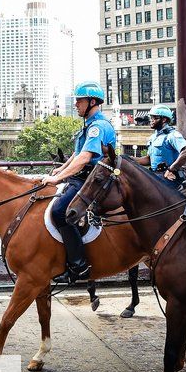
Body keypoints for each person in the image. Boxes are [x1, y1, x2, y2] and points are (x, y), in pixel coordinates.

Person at [40, 80, 117, 284]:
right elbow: (76, 154)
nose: (76, 105)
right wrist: (61, 170)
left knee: (59, 212)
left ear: (92, 102)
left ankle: (79, 265)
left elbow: (85, 158)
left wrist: (57, 178)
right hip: (83, 177)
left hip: (93, 180)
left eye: (79, 101)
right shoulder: (88, 126)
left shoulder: (98, 127)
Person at [133, 104, 186, 184]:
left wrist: (171, 169)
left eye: (155, 118)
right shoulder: (153, 137)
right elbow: (149, 159)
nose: (151, 120)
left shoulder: (172, 135)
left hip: (170, 178)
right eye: (151, 118)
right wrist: (128, 159)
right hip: (156, 177)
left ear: (164, 119)